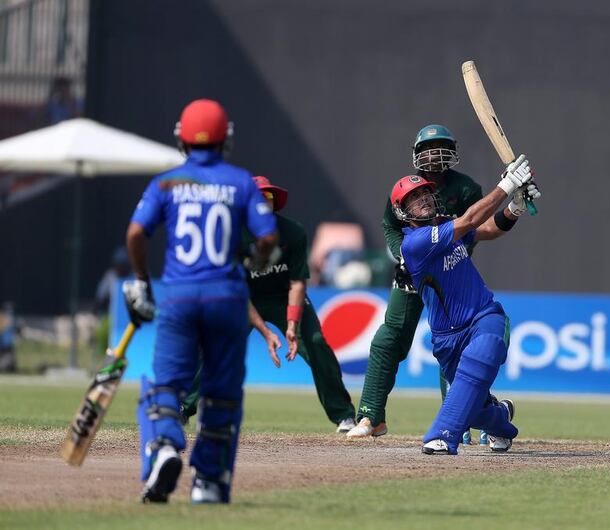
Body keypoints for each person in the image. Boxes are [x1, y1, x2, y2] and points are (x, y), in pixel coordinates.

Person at [123, 99, 278, 504]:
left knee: (167, 385)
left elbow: (136, 234)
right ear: (226, 138)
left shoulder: (166, 182)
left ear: (182, 138)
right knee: (221, 393)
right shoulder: (242, 182)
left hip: (179, 297)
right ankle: (208, 481)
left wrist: (142, 281)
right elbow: (267, 238)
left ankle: (166, 447)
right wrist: (254, 260)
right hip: (227, 298)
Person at [180, 176, 356, 433]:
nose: (262, 204)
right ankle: (183, 407)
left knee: (316, 342)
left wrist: (292, 326)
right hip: (243, 298)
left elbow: (297, 283)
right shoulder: (230, 236)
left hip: (284, 296)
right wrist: (265, 331)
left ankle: (343, 415)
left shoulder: (292, 232)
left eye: (268, 198)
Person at [388, 154, 538, 455]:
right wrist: (508, 184)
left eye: (425, 193)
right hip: (447, 338)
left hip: (484, 316)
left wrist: (515, 208)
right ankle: (502, 419)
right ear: (401, 211)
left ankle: (442, 435)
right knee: (475, 408)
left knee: (484, 351)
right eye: (413, 198)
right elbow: (470, 219)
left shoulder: (445, 225)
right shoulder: (414, 244)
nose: (423, 200)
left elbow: (487, 229)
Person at [347, 125, 487, 445]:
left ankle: (461, 419)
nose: (435, 154)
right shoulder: (404, 190)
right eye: (428, 148)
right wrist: (403, 258)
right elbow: (390, 226)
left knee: (454, 344)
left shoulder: (466, 189)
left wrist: (510, 208)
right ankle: (371, 415)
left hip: (449, 273)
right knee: (388, 338)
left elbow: (478, 228)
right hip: (411, 274)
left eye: (441, 147)